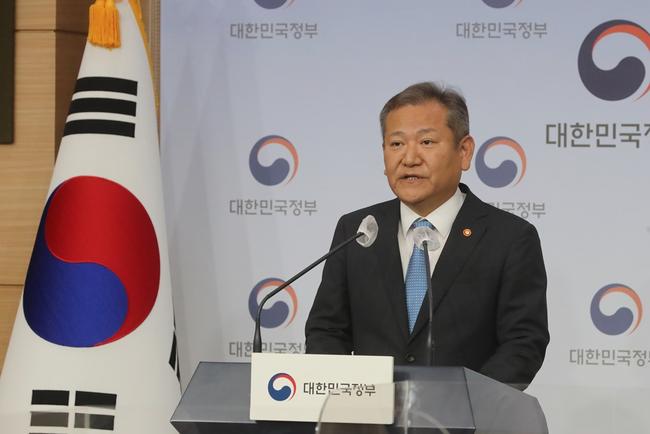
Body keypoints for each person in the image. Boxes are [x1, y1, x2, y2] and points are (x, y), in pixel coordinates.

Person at [305, 82, 549, 388]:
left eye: (427, 142)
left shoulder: (509, 238)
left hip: (465, 413)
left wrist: (465, 402)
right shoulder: (358, 231)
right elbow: (326, 331)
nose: (409, 158)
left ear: (464, 151)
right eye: (396, 144)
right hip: (370, 412)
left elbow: (523, 344)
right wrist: (348, 395)